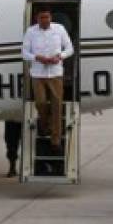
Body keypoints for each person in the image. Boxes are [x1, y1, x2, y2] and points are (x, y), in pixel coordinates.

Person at [21, 8, 74, 149]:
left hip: (56, 74)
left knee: (57, 106)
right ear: (37, 19)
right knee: (41, 103)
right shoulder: (31, 32)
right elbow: (24, 52)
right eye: (41, 17)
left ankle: (55, 140)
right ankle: (44, 124)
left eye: (47, 17)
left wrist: (60, 56)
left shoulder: (59, 29)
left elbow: (70, 49)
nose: (44, 20)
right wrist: (37, 57)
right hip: (38, 74)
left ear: (51, 17)